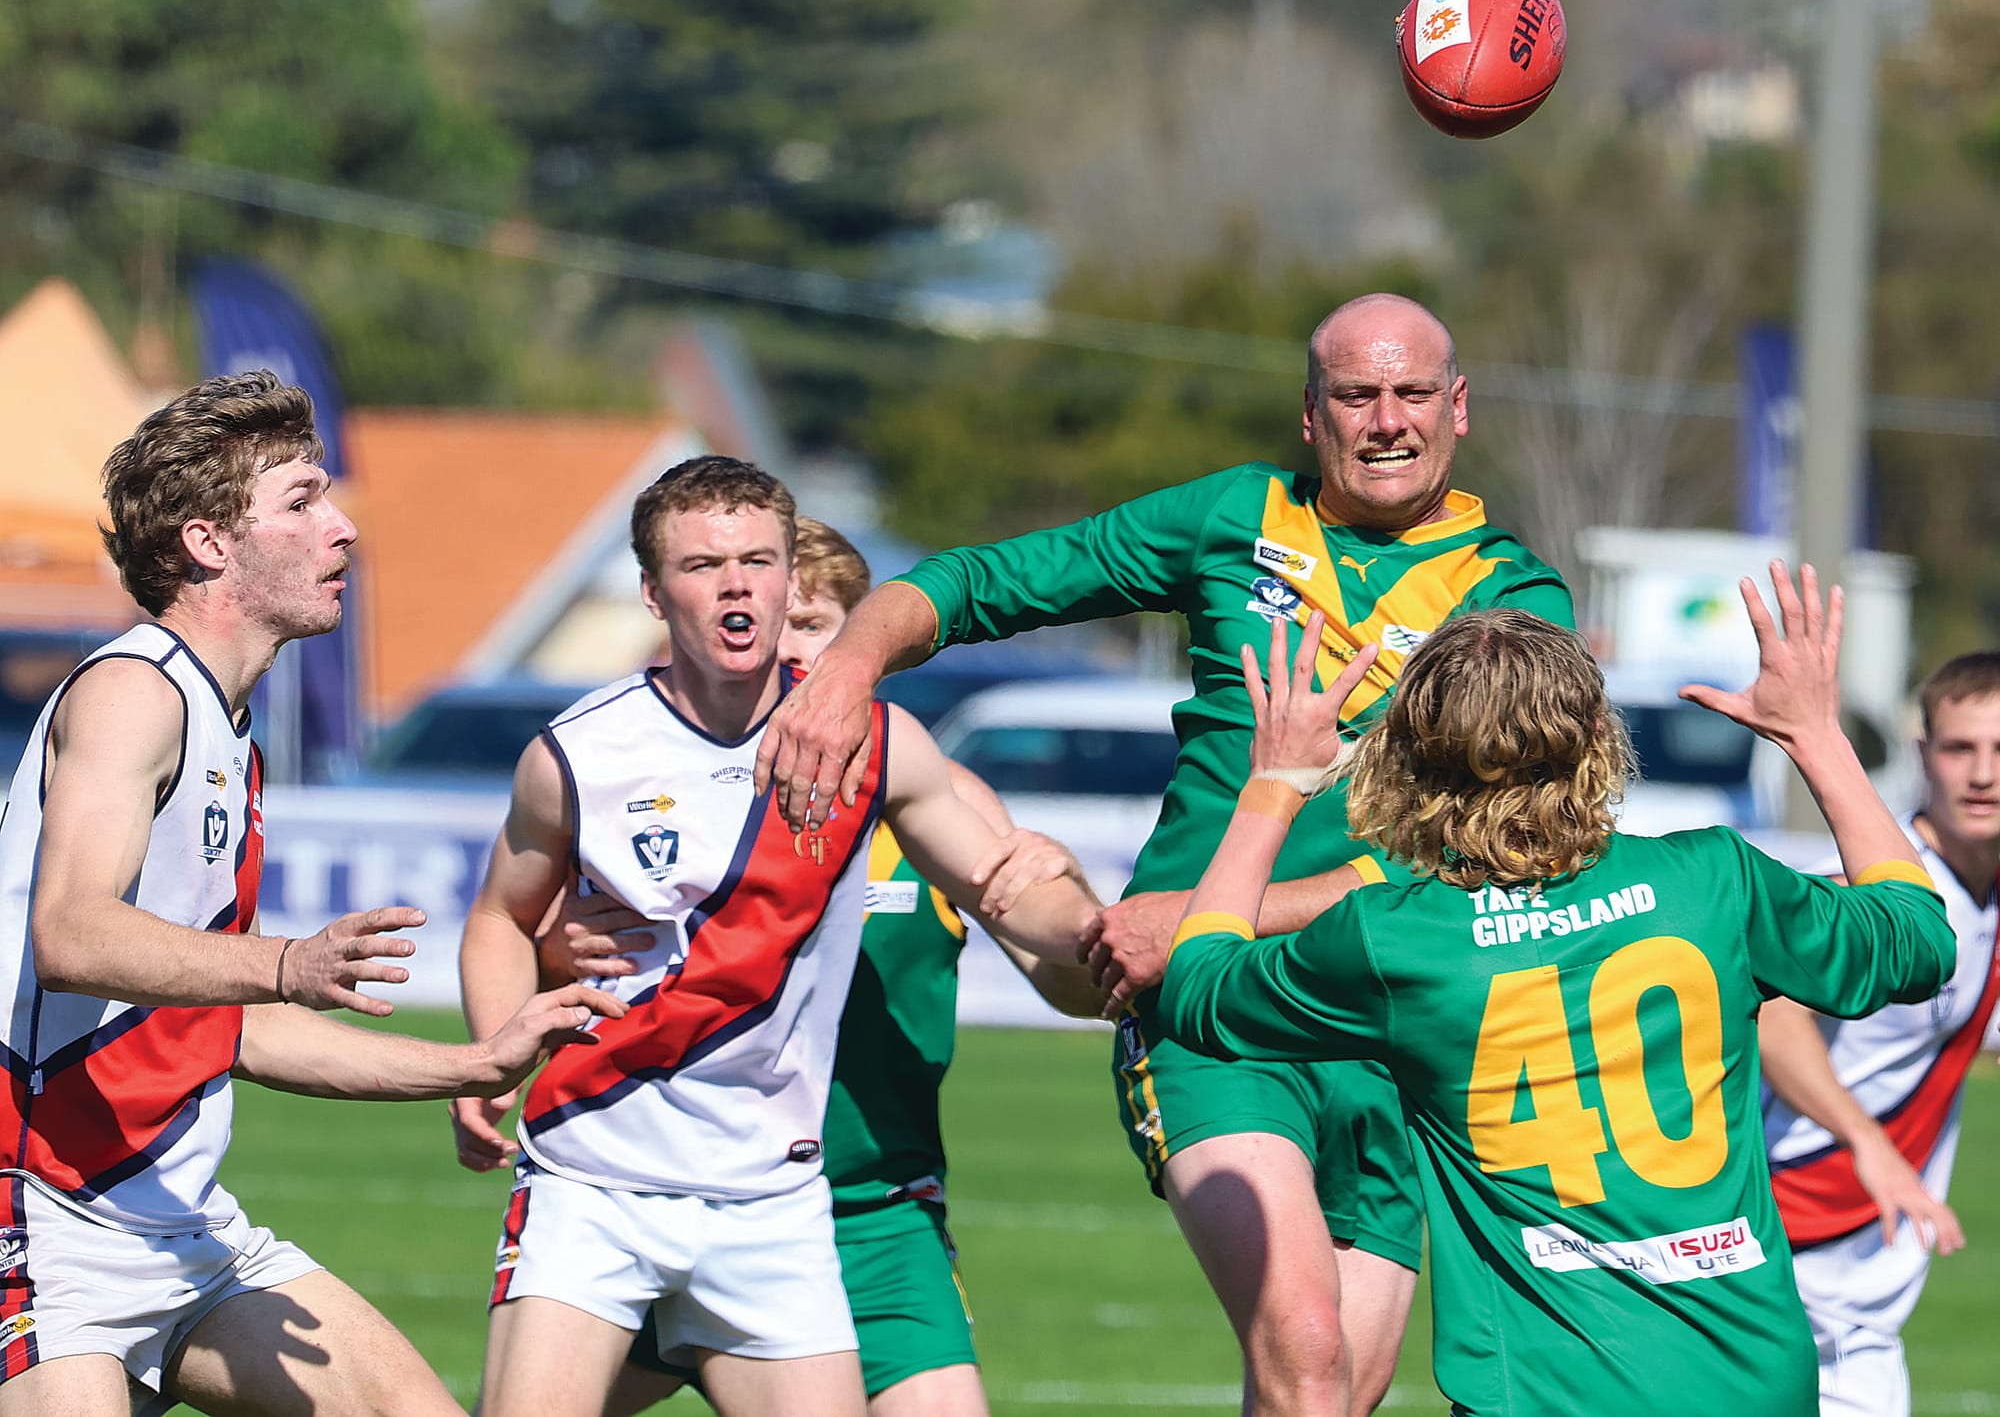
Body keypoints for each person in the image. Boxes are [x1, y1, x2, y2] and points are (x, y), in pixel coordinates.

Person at [757, 293, 1571, 1412]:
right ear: (1308, 413)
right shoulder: (1231, 518)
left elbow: (1509, 849)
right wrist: (847, 670)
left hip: (1398, 1031)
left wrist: (1222, 908)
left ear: (1456, 407)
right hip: (1212, 1006)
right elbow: (977, 582)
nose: (1385, 421)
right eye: (1354, 395)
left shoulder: (1512, 599)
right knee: (1304, 1350)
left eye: (1411, 393)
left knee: (1325, 1392)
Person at [1159, 570, 1954, 1417]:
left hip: (1543, 1392)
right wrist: (1815, 737)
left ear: (1412, 760)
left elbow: (1195, 988)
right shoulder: (1715, 880)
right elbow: (1919, 939)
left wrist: (1274, 784)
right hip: (1750, 1379)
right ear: (1597, 740)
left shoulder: (1391, 937)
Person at [0, 372, 621, 1417]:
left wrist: (469, 1063)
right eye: (302, 500)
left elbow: (215, 1033)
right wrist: (284, 961)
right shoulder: (132, 692)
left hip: (174, 1219)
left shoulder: (223, 728)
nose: (341, 529)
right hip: (39, 1214)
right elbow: (70, 932)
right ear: (208, 542)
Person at [451, 460, 1101, 1417]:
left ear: (791, 580)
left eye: (758, 560)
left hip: (771, 1200)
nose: (736, 584)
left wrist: (1102, 926)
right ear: (652, 589)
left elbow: (1006, 893)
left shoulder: (877, 745)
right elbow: (500, 917)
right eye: (704, 563)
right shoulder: (577, 754)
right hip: (595, 1178)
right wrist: (492, 1057)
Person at [1759, 650, 2000, 1417]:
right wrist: (1868, 1142)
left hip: (1862, 1279)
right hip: (1794, 1241)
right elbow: (1773, 1009)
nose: (1983, 775)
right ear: (1925, 755)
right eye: (1962, 748)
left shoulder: (1983, 892)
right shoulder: (1889, 883)